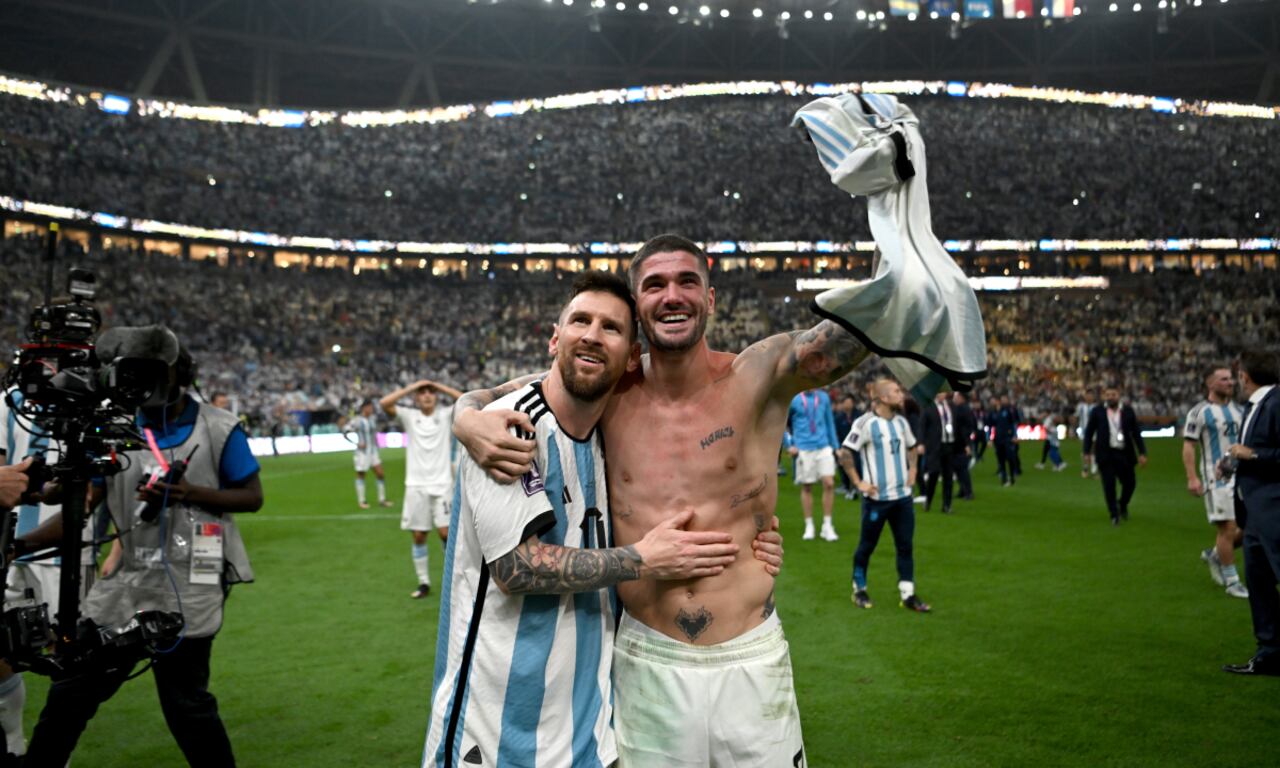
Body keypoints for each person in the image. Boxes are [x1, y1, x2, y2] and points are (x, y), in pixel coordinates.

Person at [454, 236, 901, 767]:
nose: (673, 296)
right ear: (639, 307)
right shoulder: (611, 388)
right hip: (647, 660)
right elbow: (517, 392)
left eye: (688, 281)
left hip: (752, 658)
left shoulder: (760, 374)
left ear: (711, 299)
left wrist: (894, 221)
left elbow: (861, 331)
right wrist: (464, 416)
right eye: (655, 285)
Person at [422, 272, 753, 767]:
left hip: (589, 734)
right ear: (556, 338)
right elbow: (517, 568)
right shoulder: (508, 425)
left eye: (612, 328)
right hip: (492, 736)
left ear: (629, 362)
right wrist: (641, 559)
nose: (593, 335)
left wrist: (758, 539)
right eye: (580, 320)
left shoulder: (610, 437)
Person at [20, 329, 262, 767]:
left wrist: (187, 492)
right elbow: (84, 506)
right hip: (127, 583)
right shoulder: (112, 430)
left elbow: (252, 497)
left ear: (178, 374)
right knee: (71, 690)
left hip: (193, 586)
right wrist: (20, 543)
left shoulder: (218, 427)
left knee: (186, 705)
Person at [0, 386, 70, 759]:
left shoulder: (94, 396)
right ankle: (14, 744)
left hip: (66, 554)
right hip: (12, 549)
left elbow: (93, 488)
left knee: (68, 663)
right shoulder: (8, 399)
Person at [838, 378, 931, 612]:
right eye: (896, 391)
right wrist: (859, 483)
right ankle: (859, 589)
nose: (901, 394)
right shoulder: (865, 423)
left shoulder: (901, 422)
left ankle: (908, 595)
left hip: (902, 498)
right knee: (867, 546)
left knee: (905, 546)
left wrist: (913, 469)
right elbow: (845, 453)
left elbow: (911, 447)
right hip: (876, 501)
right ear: (883, 398)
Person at [1223, 350, 1280, 676]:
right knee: (1259, 584)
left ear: (1245, 376)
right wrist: (1233, 463)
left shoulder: (1274, 403)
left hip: (1274, 508)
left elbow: (1261, 453)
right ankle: (1270, 654)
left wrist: (1253, 454)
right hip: (1257, 512)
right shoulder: (1256, 406)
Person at [379, 379, 463, 599]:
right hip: (416, 485)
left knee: (446, 534)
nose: (427, 395)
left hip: (443, 483)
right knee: (418, 536)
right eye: (422, 393)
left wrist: (439, 385)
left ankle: (451, 581)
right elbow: (384, 403)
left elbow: (464, 399)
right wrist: (412, 387)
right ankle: (424, 582)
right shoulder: (409, 416)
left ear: (436, 397)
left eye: (430, 393)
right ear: (416, 398)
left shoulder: (445, 414)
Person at [1182, 367, 1248, 599]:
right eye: (1224, 379)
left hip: (1244, 477)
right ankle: (1232, 582)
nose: (1230, 382)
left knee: (1251, 528)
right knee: (1228, 528)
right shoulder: (1199, 412)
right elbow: (1189, 446)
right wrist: (1192, 477)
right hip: (1217, 478)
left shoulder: (1240, 410)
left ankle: (1216, 555)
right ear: (1210, 384)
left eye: (1231, 378)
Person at [1083, 386, 1148, 526]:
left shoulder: (1128, 411)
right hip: (1106, 454)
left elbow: (1136, 433)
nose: (1111, 397)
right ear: (1104, 396)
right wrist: (1086, 452)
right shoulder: (1098, 411)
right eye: (1108, 394)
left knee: (1130, 483)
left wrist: (1142, 452)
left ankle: (1122, 504)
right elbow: (1089, 432)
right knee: (1109, 485)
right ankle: (1114, 514)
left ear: (1119, 395)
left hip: (1124, 453)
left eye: (1113, 394)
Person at [786, 387, 840, 540]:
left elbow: (829, 422)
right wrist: (789, 443)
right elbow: (783, 422)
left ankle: (827, 525)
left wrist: (836, 447)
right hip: (804, 448)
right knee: (807, 486)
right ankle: (809, 524)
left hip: (823, 446)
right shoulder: (794, 398)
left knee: (829, 483)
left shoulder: (823, 397)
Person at [348, 399, 391, 510]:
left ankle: (382, 500)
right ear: (364, 408)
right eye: (369, 407)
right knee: (361, 475)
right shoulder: (357, 420)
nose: (371, 409)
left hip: (373, 452)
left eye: (372, 407)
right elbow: (345, 432)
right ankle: (362, 501)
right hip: (362, 453)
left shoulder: (372, 419)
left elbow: (375, 434)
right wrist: (357, 443)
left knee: (380, 473)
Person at [951, 391, 976, 498]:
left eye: (956, 396)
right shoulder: (961, 409)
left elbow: (966, 428)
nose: (954, 398)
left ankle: (968, 492)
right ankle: (963, 490)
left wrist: (967, 444)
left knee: (962, 469)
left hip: (962, 443)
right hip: (958, 442)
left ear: (961, 397)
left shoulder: (964, 410)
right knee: (958, 468)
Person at [990, 396, 1019, 486]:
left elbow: (1013, 423)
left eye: (993, 401)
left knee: (1010, 457)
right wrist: (990, 439)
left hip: (1007, 438)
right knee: (1000, 459)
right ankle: (1004, 478)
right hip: (997, 439)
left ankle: (1012, 476)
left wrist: (1014, 435)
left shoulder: (1007, 411)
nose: (992, 403)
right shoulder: (992, 413)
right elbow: (991, 427)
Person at [1075, 389, 1098, 478]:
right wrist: (1074, 430)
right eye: (1087, 395)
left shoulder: (1096, 407)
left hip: (1095, 432)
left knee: (1094, 451)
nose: (1089, 397)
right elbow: (1076, 417)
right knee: (1085, 451)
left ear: (1093, 397)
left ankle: (1093, 470)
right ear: (1085, 396)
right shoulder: (1080, 406)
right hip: (1084, 432)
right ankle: (1085, 468)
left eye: (1091, 395)